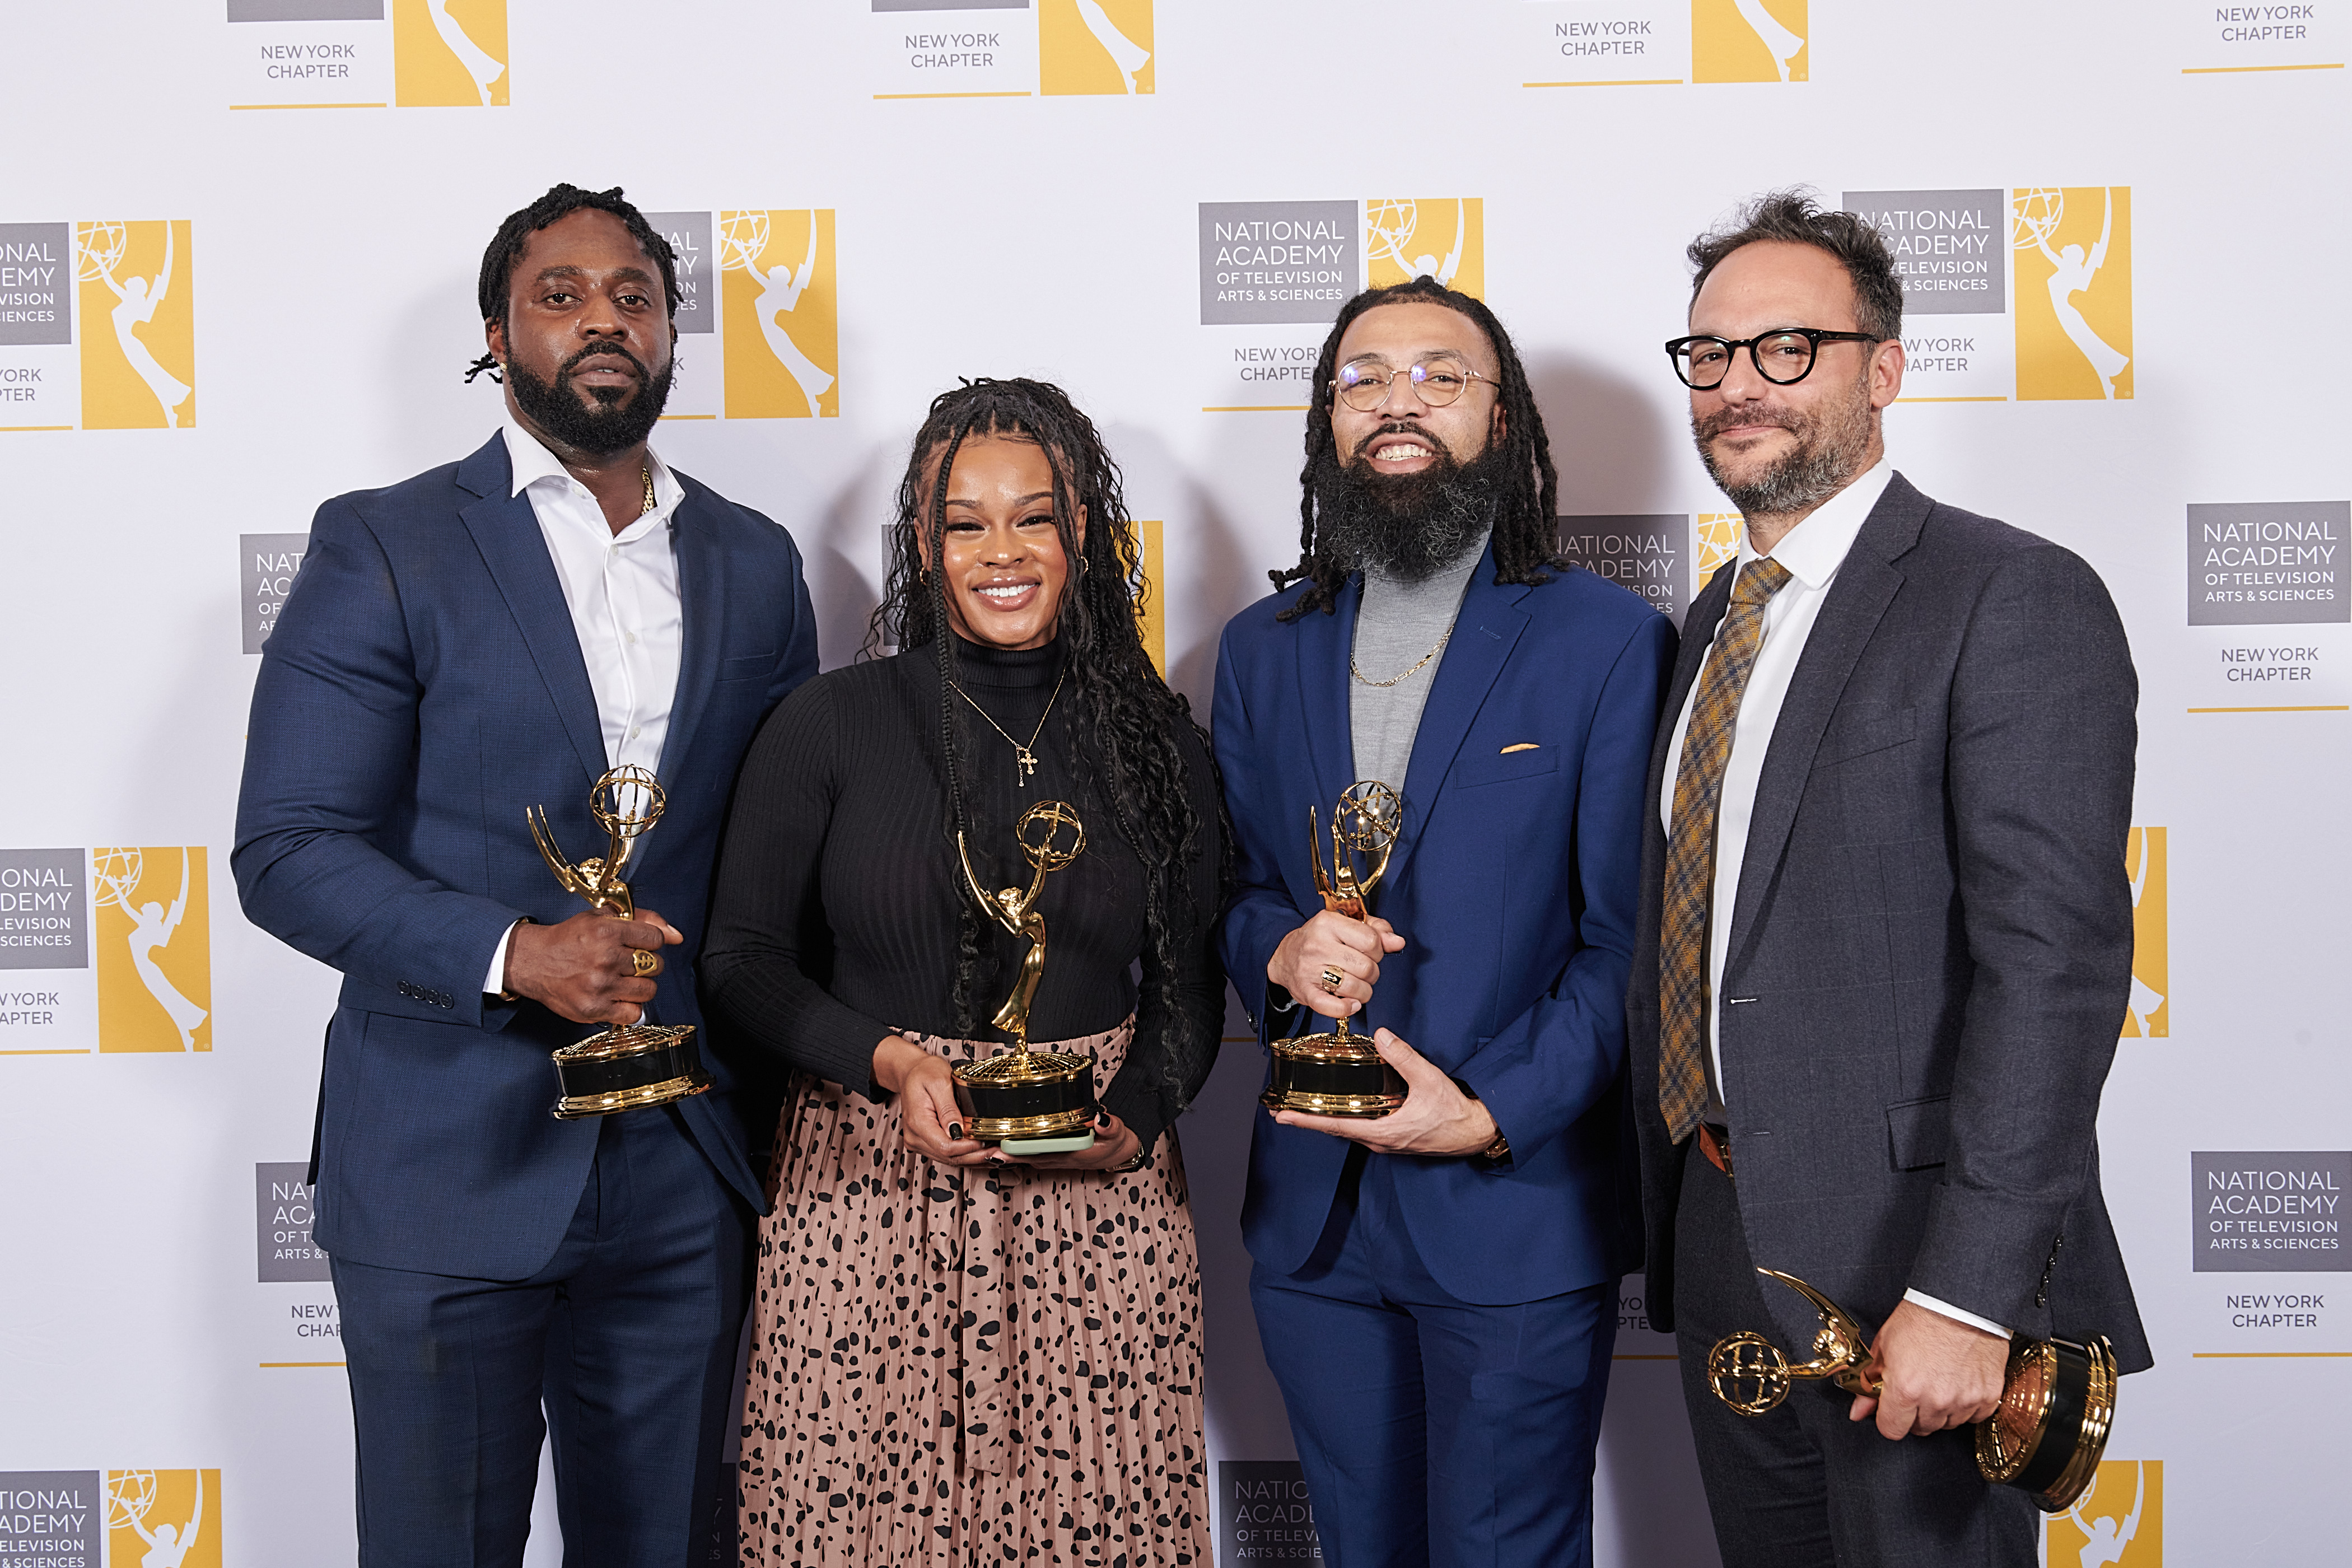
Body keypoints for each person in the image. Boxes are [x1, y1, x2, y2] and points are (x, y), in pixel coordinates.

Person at [233, 183, 819, 1568]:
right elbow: (288, 846)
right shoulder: (386, 541)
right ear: (498, 336)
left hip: (681, 1160)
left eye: (635, 295)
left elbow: (785, 858)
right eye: (560, 295)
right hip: (442, 1158)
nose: (603, 319)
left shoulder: (754, 559)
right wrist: (516, 950)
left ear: (670, 333)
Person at [1628, 190, 2152, 1567]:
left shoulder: (2007, 592)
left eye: (1789, 347)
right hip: (1723, 1227)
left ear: (1886, 369)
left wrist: (1972, 1295)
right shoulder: (1712, 624)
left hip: (1913, 1261)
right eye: (1711, 354)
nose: (1740, 385)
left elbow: (2055, 970)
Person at [701, 377, 1226, 1566]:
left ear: (1081, 530)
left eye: (1033, 517)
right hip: (864, 1197)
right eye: (965, 522)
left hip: (1101, 1215)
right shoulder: (830, 723)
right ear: (923, 542)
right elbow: (740, 961)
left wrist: (1136, 1121)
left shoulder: (1152, 737)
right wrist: (884, 1061)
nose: (1003, 552)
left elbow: (1191, 984)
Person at [1212, 275, 1674, 1567]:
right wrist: (1280, 948)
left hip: (1511, 1205)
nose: (1397, 401)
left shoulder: (1608, 640)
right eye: (1362, 379)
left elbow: (1629, 944)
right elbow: (1235, 891)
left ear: (1502, 420)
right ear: (1328, 422)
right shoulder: (1260, 646)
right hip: (1314, 1221)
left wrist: (1487, 1111)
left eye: (1439, 375)